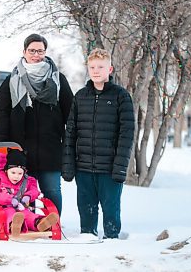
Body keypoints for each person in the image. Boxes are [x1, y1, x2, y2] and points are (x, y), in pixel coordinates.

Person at [0, 33, 74, 214]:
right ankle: (24, 224)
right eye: (32, 50)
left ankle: (53, 225)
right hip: (19, 151)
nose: (36, 54)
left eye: (40, 51)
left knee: (52, 191)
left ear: (45, 52)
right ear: (24, 52)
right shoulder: (11, 81)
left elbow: (71, 115)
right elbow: (1, 115)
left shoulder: (58, 80)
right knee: (20, 192)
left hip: (50, 148)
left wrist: (69, 144)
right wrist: (2, 147)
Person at [62, 48, 135, 239]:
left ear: (109, 69)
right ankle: (88, 241)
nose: (96, 71)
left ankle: (112, 243)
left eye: (100, 67)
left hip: (109, 168)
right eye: (92, 67)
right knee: (86, 210)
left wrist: (120, 167)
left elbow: (127, 135)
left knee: (111, 210)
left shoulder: (121, 96)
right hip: (83, 167)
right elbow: (70, 133)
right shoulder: (80, 97)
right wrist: (69, 165)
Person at [0, 148, 59, 237]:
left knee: (29, 216)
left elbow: (34, 190)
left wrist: (28, 196)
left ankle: (41, 223)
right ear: (6, 170)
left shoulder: (27, 180)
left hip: (22, 208)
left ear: (24, 172)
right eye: (13, 172)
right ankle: (14, 225)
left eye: (20, 174)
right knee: (10, 214)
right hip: (3, 209)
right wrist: (10, 199)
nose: (16, 176)